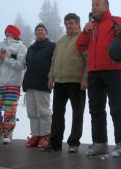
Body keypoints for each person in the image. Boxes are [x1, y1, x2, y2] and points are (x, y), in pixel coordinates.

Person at [76, 0, 121, 158]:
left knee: (117, 107)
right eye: (92, 5)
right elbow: (80, 46)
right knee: (96, 109)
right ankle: (100, 143)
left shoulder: (117, 20)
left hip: (113, 69)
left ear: (106, 7)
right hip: (94, 72)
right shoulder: (91, 26)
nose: (94, 7)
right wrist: (85, 30)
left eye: (97, 4)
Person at [41, 13, 88, 153]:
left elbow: (88, 60)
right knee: (57, 114)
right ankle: (55, 143)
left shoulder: (82, 39)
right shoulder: (61, 41)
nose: (68, 26)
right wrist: (51, 77)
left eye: (71, 23)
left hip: (76, 82)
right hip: (60, 82)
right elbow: (54, 61)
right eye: (66, 23)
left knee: (77, 113)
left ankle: (73, 143)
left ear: (78, 24)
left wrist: (85, 78)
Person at [0, 25, 27, 144]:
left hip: (13, 84)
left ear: (16, 34)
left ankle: (8, 134)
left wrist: (6, 59)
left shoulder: (21, 47)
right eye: (6, 32)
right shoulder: (0, 45)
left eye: (11, 32)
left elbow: (21, 65)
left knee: (9, 111)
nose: (8, 34)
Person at [22, 23, 56, 148]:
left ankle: (46, 135)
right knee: (32, 111)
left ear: (46, 33)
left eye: (42, 30)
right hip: (30, 83)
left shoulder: (52, 46)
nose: (39, 32)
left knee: (43, 111)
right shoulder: (31, 48)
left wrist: (52, 78)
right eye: (37, 30)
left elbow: (55, 63)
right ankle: (36, 134)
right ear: (35, 33)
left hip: (43, 82)